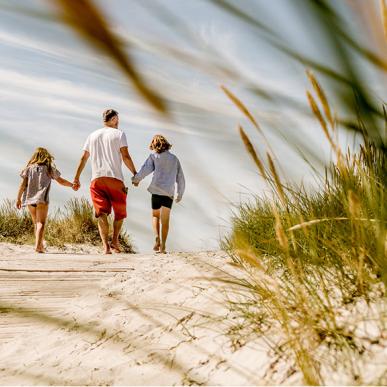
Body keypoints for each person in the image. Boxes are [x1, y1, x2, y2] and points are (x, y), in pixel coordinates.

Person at [73, 109, 137, 254]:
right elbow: (126, 156)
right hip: (115, 178)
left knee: (101, 213)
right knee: (120, 213)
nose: (118, 122)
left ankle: (105, 247)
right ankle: (114, 240)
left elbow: (83, 158)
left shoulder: (92, 135)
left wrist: (76, 178)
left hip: (97, 179)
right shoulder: (119, 134)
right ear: (113, 119)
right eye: (117, 119)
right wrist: (135, 173)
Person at [132, 134, 185, 254]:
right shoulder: (174, 159)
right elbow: (180, 178)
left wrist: (136, 180)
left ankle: (157, 238)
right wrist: (179, 194)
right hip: (168, 193)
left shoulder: (153, 156)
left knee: (155, 215)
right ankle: (163, 246)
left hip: (156, 191)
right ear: (166, 144)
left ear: (154, 145)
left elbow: (145, 169)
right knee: (165, 221)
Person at [16, 147, 75, 253]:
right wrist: (72, 185)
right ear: (46, 156)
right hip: (42, 199)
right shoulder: (48, 168)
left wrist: (18, 199)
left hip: (30, 199)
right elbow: (61, 181)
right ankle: (38, 246)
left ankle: (40, 245)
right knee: (41, 223)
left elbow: (23, 185)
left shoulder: (29, 168)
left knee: (36, 223)